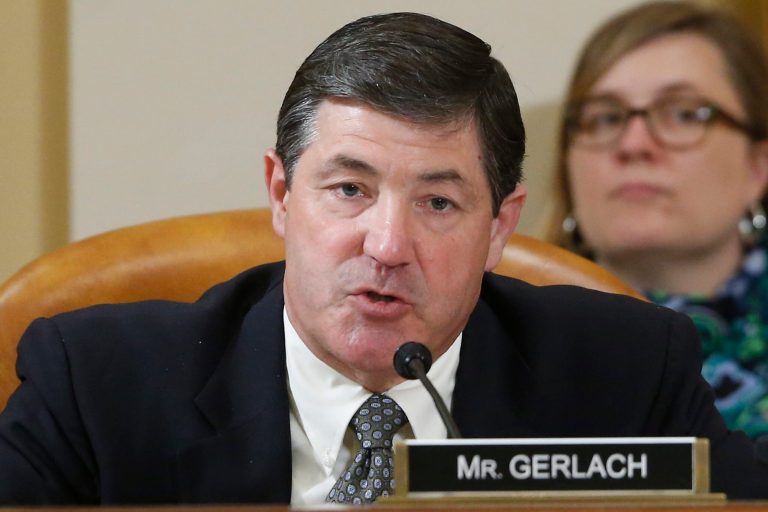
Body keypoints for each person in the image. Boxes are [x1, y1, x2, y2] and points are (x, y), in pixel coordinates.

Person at [0, 11, 767, 506]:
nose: (388, 247)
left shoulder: (623, 372)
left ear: (500, 226)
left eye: (438, 203)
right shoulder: (97, 384)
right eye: (348, 189)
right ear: (280, 193)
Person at [547, 1, 768, 440]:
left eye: (684, 113)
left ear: (758, 167)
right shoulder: (476, 338)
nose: (633, 143)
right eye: (606, 117)